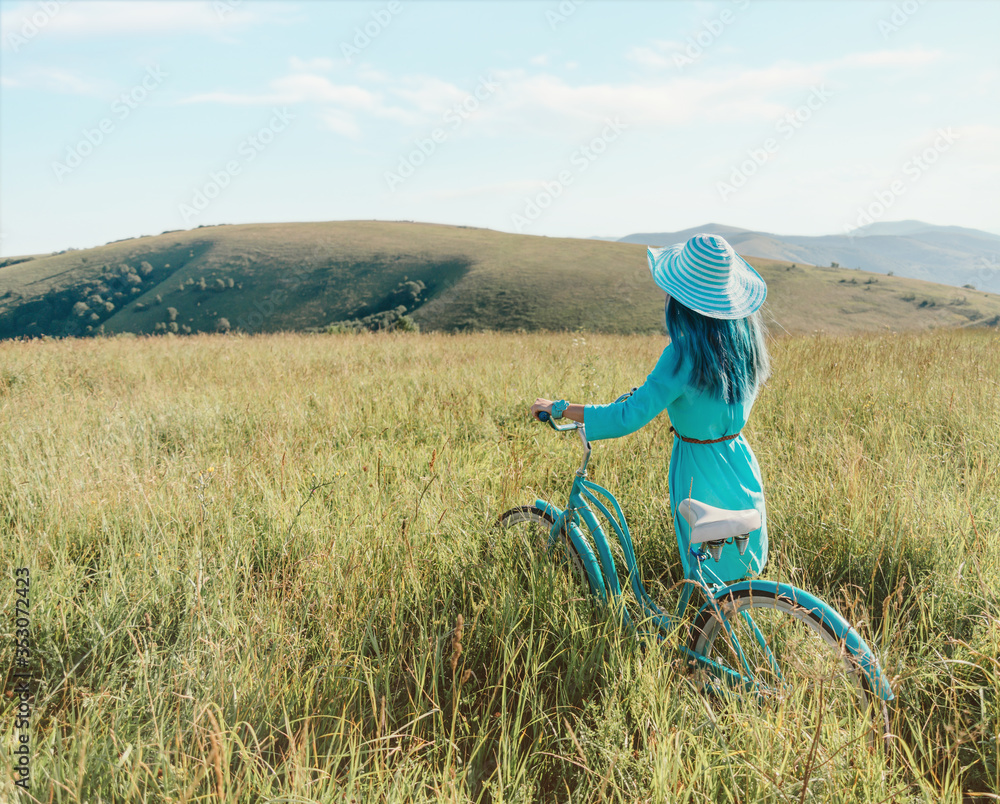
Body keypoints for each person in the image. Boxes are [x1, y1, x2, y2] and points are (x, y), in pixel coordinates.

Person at [530, 233, 771, 582]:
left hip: (698, 469)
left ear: (681, 298)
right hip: (738, 461)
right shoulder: (744, 343)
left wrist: (561, 407)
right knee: (739, 568)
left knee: (707, 574)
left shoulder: (682, 355)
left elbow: (627, 417)